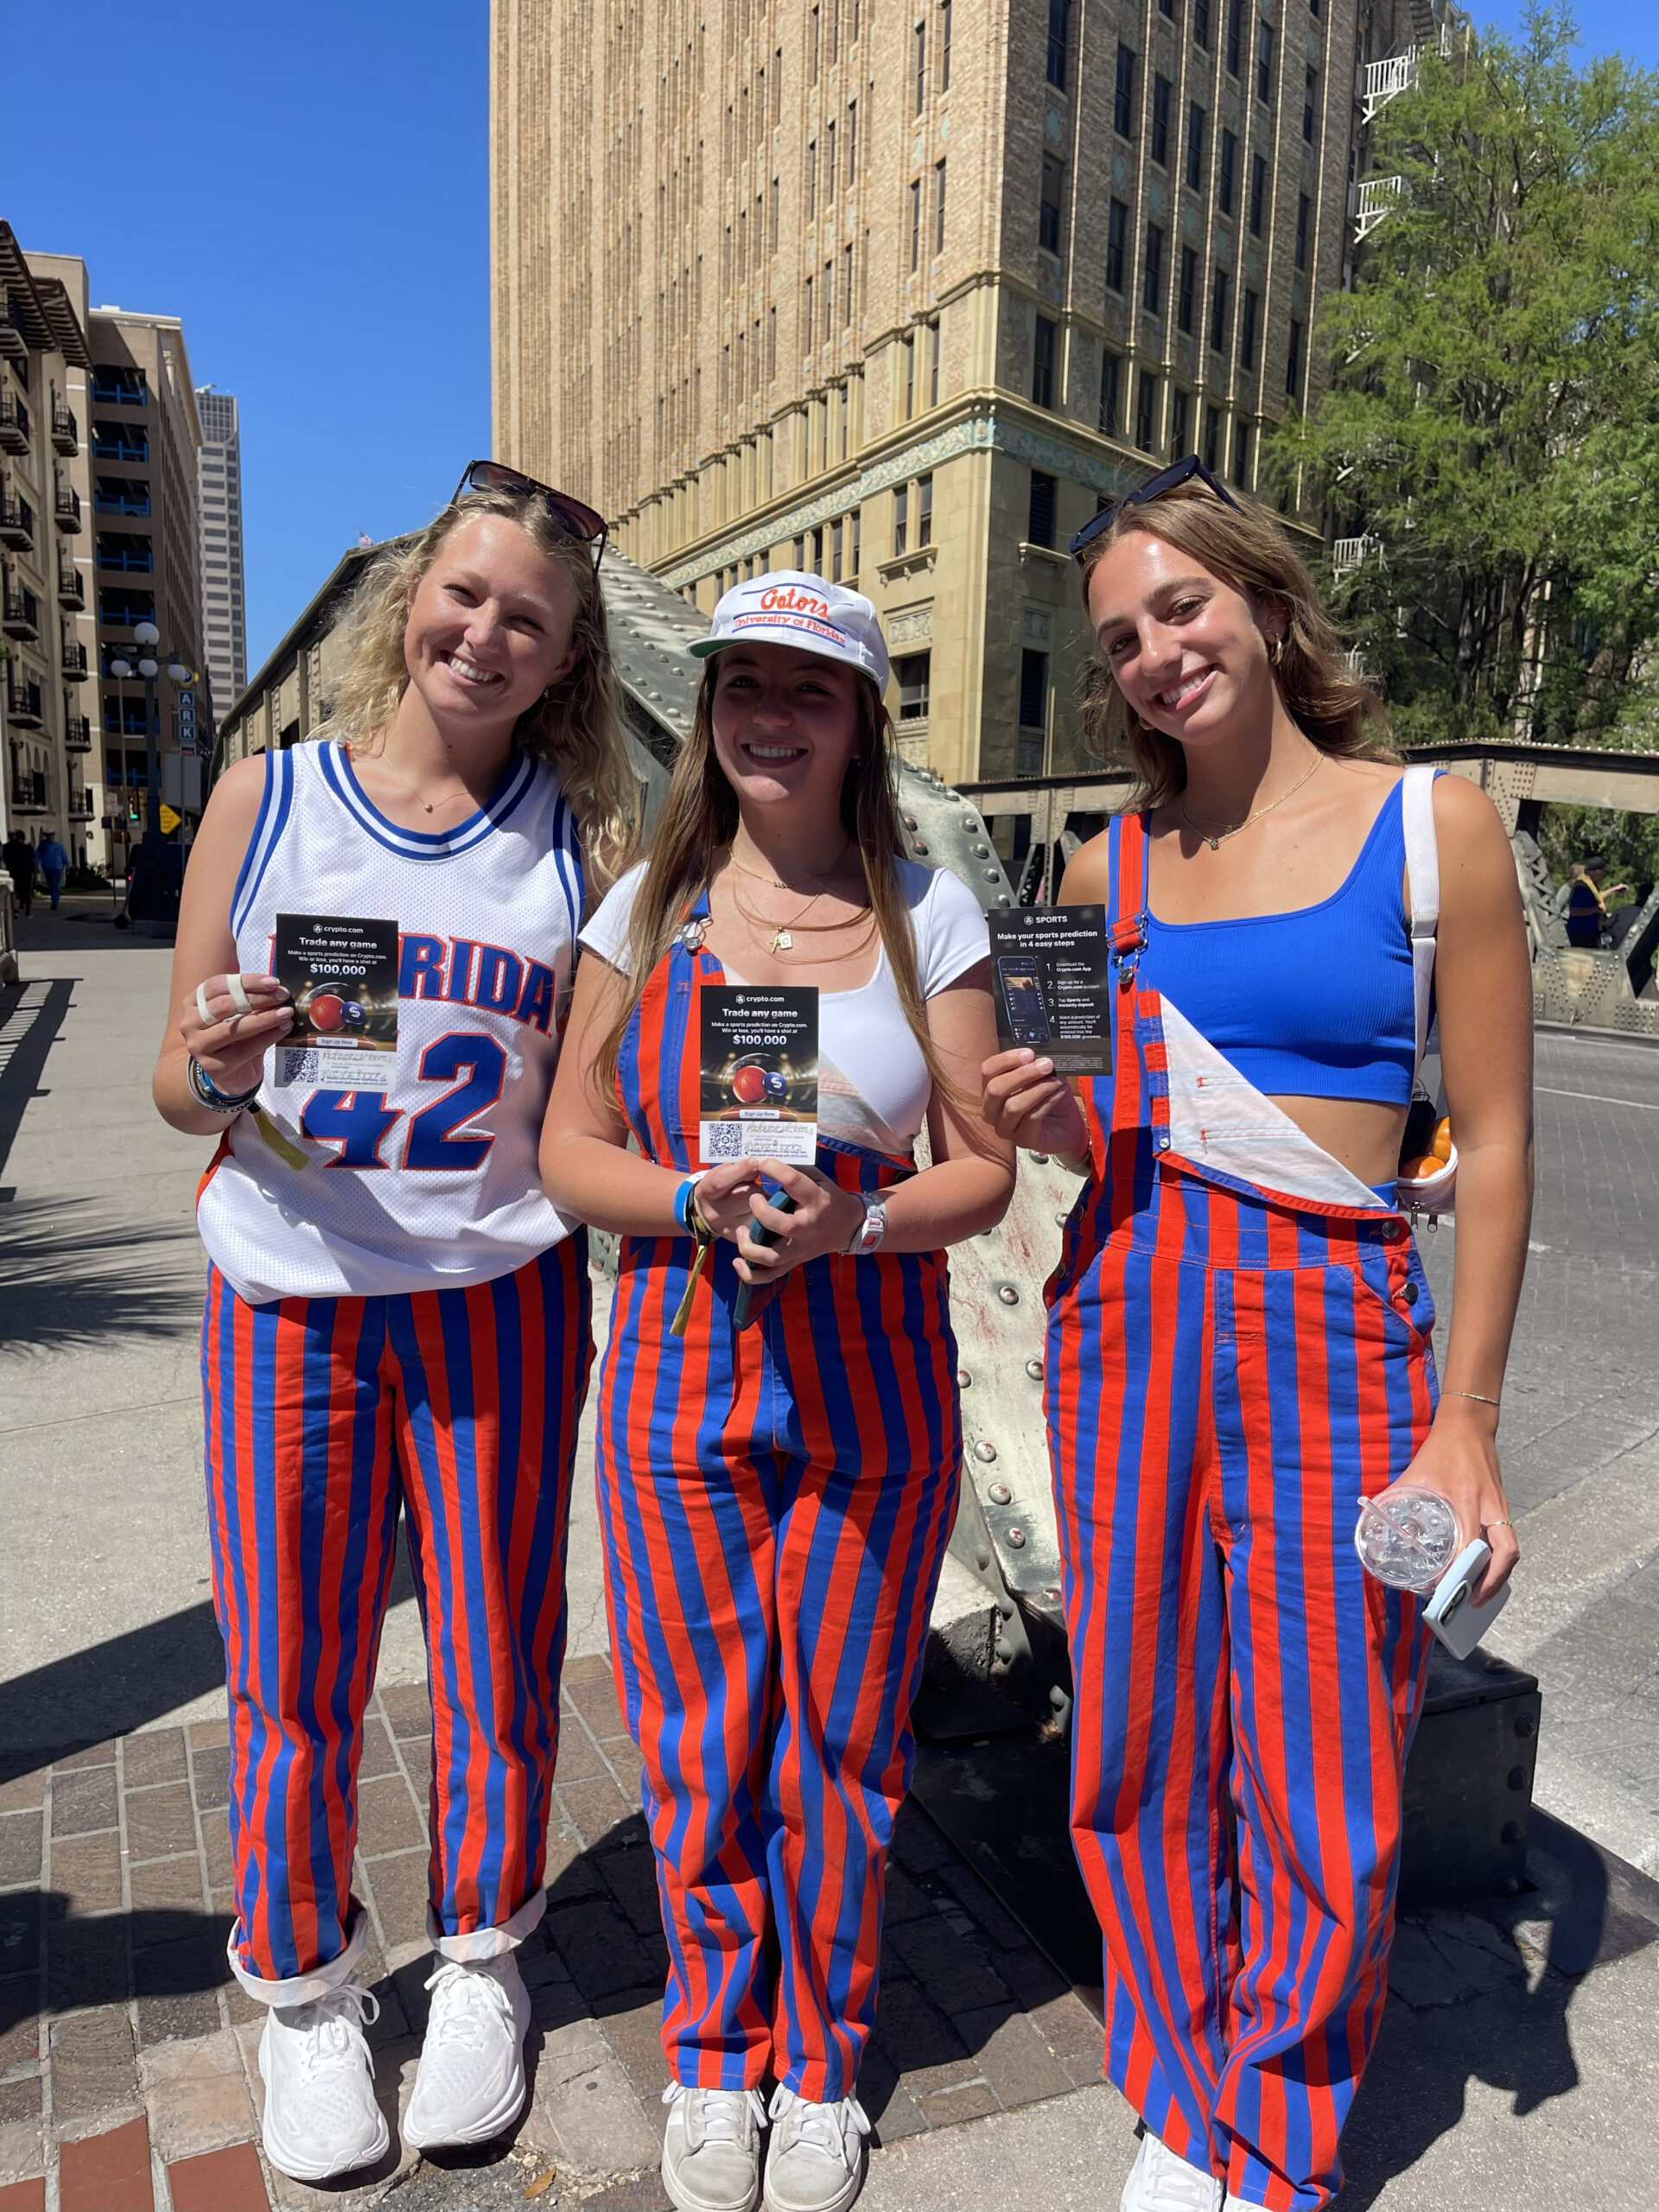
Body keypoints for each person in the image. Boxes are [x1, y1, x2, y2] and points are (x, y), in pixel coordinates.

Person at [982, 458, 1534, 2212]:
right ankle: (1174, 2080)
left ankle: (1277, 2124)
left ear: (1270, 604)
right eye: (1125, 635)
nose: (1159, 652)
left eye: (1185, 606)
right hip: (1128, 1312)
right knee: (1137, 1730)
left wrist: (1470, 1416)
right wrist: (1039, 1111)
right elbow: (1072, 1129)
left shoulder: (1429, 824)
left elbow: (1502, 1142)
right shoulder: (1094, 862)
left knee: (1325, 1760)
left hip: (1334, 1338)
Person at [152, 463, 635, 2183]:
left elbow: (590, 1108)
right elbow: (172, 1078)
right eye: (467, 596)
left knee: (504, 1655)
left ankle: (488, 1961)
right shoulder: (267, 797)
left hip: (498, 1299)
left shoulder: (576, 843)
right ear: (412, 601)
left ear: (569, 657)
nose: (485, 634)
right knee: (294, 1668)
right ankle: (303, 1989)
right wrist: (221, 1052)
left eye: (529, 617)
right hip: (293, 1290)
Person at [542, 573, 1014, 2212]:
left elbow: (987, 1170)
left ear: (861, 720)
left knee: (841, 1734)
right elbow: (567, 1150)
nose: (766, 712)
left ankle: (819, 2063)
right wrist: (693, 1200)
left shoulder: (924, 913)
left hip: (873, 1376)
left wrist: (857, 1221)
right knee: (703, 1734)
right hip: (682, 1375)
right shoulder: (644, 906)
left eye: (808, 689)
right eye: (743, 681)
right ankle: (714, 2055)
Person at [1563, 856, 1626, 949]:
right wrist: (1596, 910)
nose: (1604, 875)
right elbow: (1574, 911)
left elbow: (1598, 896)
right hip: (1581, 935)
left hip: (1589, 934)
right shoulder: (1582, 888)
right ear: (1597, 871)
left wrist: (1615, 889)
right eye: (1603, 872)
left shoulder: (1590, 885)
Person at [3, 830, 33, 920]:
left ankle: (15, 910)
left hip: (13, 872)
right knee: (28, 892)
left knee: (13, 892)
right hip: (26, 873)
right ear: (23, 838)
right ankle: (28, 912)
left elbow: (4, 858)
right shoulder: (28, 848)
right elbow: (32, 860)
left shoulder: (8, 847)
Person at [35, 830, 67, 912]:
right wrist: (36, 865)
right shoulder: (43, 845)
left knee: (54, 885)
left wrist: (66, 864)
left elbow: (64, 857)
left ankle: (54, 902)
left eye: (51, 835)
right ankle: (55, 900)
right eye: (48, 835)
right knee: (52, 885)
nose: (50, 836)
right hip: (47, 868)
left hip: (57, 868)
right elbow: (37, 855)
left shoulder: (58, 846)